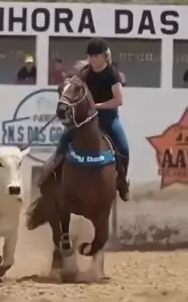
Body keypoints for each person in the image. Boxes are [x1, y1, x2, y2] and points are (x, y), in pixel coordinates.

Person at [43, 38, 130, 201]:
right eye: (91, 56)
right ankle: (51, 173)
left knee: (123, 147)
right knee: (64, 140)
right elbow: (71, 84)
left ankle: (122, 183)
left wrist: (97, 106)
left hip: (108, 118)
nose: (93, 59)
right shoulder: (85, 72)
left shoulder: (112, 75)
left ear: (104, 56)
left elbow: (118, 100)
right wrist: (71, 83)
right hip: (86, 119)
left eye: (96, 55)